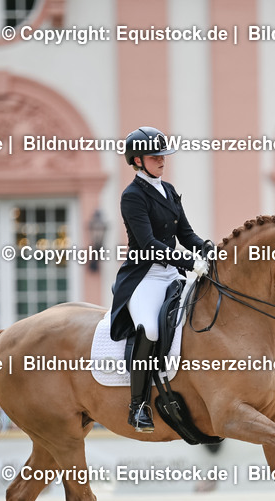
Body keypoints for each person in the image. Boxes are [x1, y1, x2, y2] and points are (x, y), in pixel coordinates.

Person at [110, 126, 213, 433]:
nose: (162, 160)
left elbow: (186, 234)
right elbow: (148, 243)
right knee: (151, 329)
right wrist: (189, 260)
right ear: (137, 161)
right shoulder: (132, 196)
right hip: (145, 276)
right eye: (155, 156)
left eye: (163, 155)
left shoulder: (167, 190)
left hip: (172, 273)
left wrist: (208, 249)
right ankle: (138, 405)